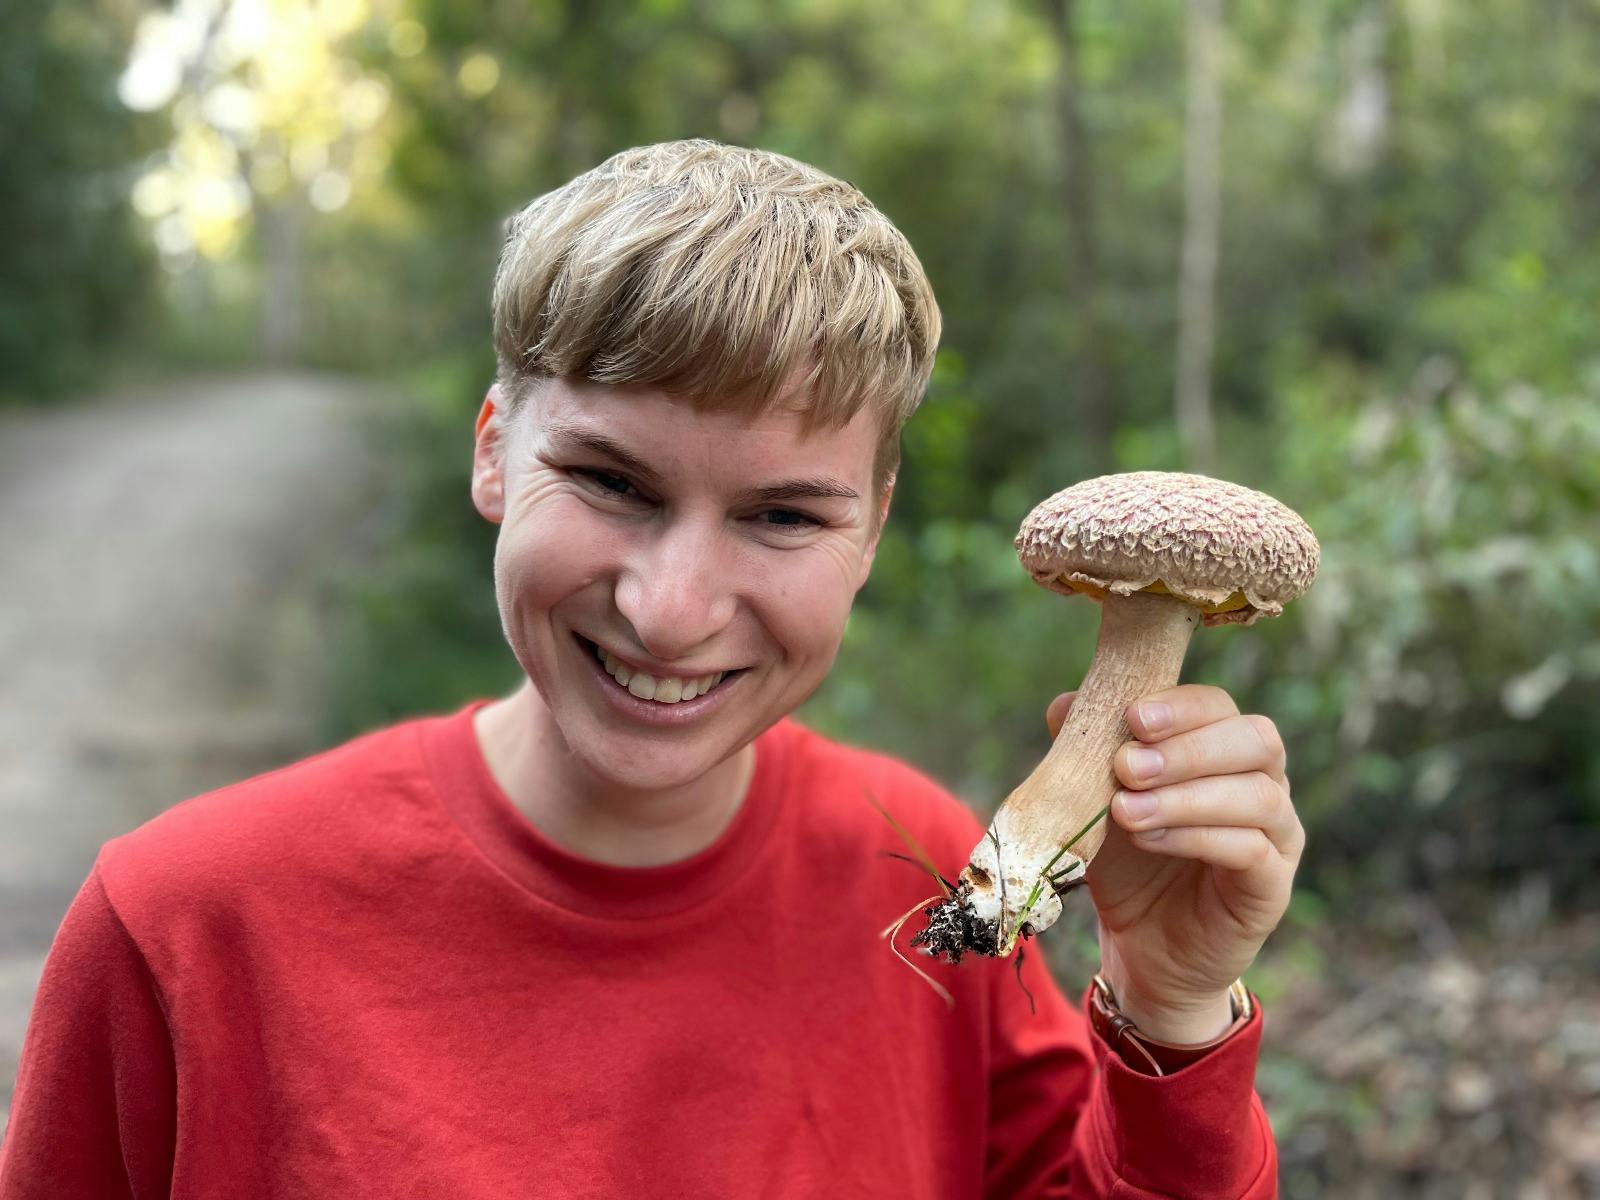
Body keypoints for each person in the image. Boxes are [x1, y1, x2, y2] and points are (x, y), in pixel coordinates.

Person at [0, 139, 1295, 1198]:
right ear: (496, 450)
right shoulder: (182, 926)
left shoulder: (920, 877)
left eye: (784, 516)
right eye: (612, 482)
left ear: (873, 527)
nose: (670, 615)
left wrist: (1172, 1004)